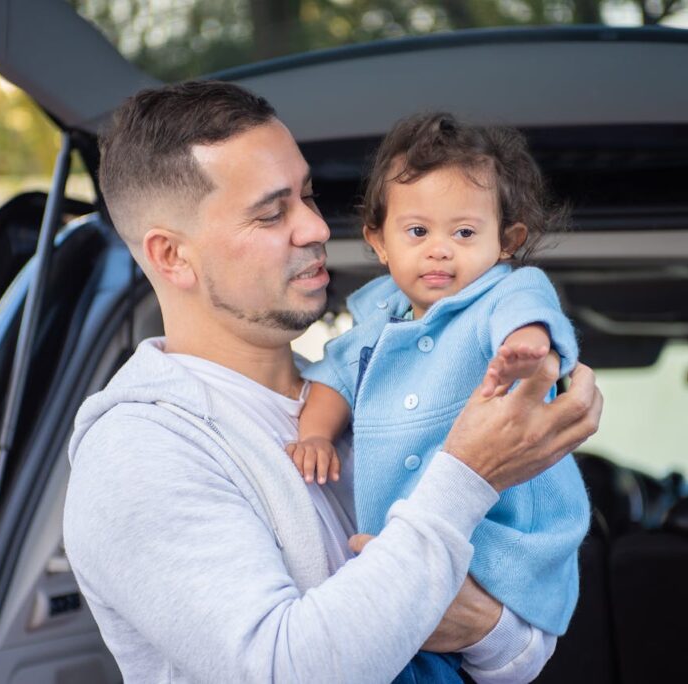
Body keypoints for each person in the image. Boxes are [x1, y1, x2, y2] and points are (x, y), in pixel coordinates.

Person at [62, 81, 603, 684]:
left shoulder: (370, 386)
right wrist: (471, 473)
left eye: (308, 196)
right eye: (272, 213)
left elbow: (520, 657)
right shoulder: (141, 450)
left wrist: (477, 624)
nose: (316, 228)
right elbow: (285, 671)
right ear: (171, 257)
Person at [288, 114, 589, 650]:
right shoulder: (377, 318)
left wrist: (526, 346)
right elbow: (335, 378)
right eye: (418, 231)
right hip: (410, 552)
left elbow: (526, 309)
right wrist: (315, 434)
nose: (439, 248)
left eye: (465, 232)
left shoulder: (502, 295)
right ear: (379, 242)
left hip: (498, 537)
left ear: (506, 242)